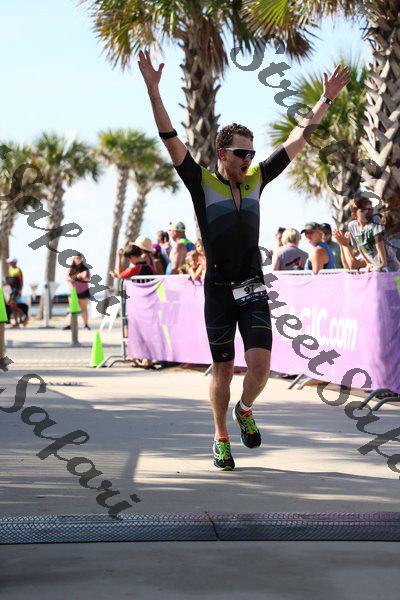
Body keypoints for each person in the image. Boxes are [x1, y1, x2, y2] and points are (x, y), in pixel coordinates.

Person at [139, 48, 351, 469]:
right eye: (241, 153)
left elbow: (298, 139)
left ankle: (246, 409)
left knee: (261, 367)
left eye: (252, 154)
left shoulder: (257, 179)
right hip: (218, 291)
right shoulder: (201, 182)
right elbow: (169, 138)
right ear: (223, 153)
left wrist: (325, 99)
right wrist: (154, 92)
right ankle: (220, 437)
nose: (248, 160)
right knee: (222, 370)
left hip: (252, 287)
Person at [347, 195, 400, 272]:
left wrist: (384, 262)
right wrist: (367, 263)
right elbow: (359, 246)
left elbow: (379, 241)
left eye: (369, 209)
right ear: (354, 214)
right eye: (362, 210)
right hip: (376, 267)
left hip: (391, 267)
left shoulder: (375, 219)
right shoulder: (352, 226)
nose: (367, 213)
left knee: (396, 280)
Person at [64, 254, 91, 330]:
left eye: (79, 258)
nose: (78, 260)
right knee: (71, 309)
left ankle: (86, 324)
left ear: (81, 259)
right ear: (73, 259)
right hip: (72, 292)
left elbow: (88, 279)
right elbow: (68, 279)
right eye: (76, 258)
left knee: (84, 309)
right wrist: (78, 276)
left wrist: (83, 277)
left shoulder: (85, 269)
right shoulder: (71, 269)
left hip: (83, 291)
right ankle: (69, 325)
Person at [5, 258, 23, 328]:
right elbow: (8, 280)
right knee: (13, 307)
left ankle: (23, 316)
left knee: (13, 305)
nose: (10, 263)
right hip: (10, 291)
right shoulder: (9, 270)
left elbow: (21, 281)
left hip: (16, 290)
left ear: (14, 262)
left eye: (11, 262)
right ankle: (17, 322)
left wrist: (20, 290)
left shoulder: (18, 270)